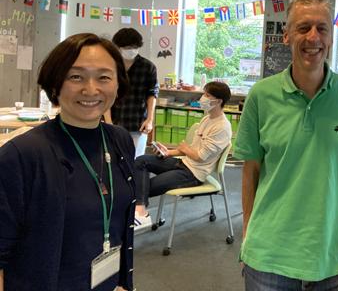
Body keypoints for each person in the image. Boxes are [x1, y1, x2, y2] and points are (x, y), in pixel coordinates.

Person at [236, 0, 338, 290]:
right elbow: (250, 170)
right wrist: (248, 231)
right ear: (286, 35)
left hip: (332, 259)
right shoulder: (261, 96)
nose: (313, 37)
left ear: (331, 37)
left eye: (321, 28)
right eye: (303, 28)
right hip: (267, 260)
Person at [0, 33, 135, 291]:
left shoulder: (119, 140)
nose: (91, 89)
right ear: (55, 84)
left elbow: (117, 225)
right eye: (76, 77)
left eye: (104, 77)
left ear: (118, 84)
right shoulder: (23, 155)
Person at [133, 81, 232, 229]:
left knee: (146, 187)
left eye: (207, 95)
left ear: (218, 101)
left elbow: (200, 156)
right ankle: (141, 211)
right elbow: (191, 149)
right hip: (184, 163)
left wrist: (184, 149)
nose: (202, 98)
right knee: (141, 161)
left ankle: (138, 212)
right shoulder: (207, 118)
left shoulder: (222, 127)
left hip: (194, 174)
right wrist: (167, 152)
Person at [107, 28, 159, 157]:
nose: (131, 50)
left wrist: (150, 119)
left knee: (136, 160)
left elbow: (152, 94)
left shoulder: (148, 67)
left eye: (134, 47)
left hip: (138, 122)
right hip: (114, 120)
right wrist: (108, 121)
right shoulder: (110, 65)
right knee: (112, 158)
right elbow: (105, 94)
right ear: (118, 47)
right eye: (127, 47)